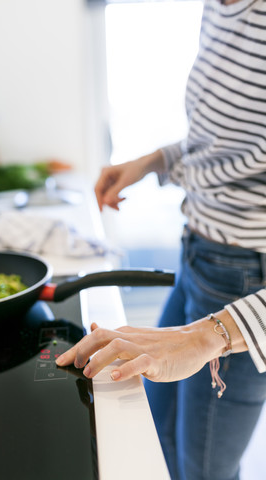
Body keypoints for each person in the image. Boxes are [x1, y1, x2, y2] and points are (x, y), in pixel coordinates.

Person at [56, 0, 266, 478]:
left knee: (205, 468)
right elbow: (227, 142)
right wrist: (153, 161)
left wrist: (204, 336)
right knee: (162, 435)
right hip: (199, 247)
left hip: (247, 269)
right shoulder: (220, 7)